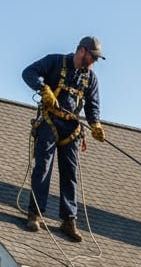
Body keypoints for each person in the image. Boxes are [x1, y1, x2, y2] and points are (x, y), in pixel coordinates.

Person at [22, 36, 107, 241]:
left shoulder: (91, 78)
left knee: (70, 174)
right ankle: (35, 214)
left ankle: (68, 220)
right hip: (50, 121)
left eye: (96, 58)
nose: (93, 62)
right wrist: (43, 89)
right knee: (43, 166)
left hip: (72, 128)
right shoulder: (55, 61)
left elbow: (92, 106)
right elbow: (28, 73)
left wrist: (95, 124)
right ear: (81, 51)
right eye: (92, 57)